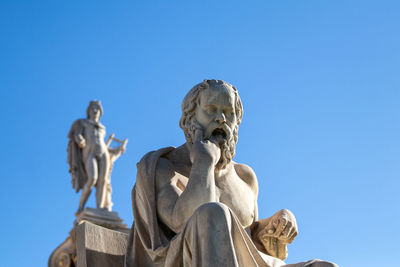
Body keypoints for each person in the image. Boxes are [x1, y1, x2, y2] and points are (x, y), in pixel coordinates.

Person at [125, 80, 337, 267]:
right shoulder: (163, 167)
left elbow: (247, 234)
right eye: (211, 109)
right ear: (190, 118)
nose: (221, 118)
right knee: (213, 213)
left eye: (228, 112)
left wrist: (276, 222)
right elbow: (186, 222)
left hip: (251, 262)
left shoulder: (245, 175)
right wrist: (203, 163)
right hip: (187, 261)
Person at [67, 100, 126, 213]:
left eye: (97, 109)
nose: (95, 110)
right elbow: (76, 134)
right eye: (93, 108)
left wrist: (118, 149)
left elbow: (104, 144)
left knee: (103, 181)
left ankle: (100, 208)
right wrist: (80, 139)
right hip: (90, 152)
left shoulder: (102, 127)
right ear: (88, 111)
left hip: (103, 152)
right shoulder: (83, 123)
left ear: (100, 112)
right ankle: (81, 207)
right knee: (93, 178)